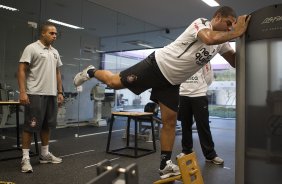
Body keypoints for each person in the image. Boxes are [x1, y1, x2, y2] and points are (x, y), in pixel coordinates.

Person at [73, 6, 250, 179]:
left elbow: (234, 61)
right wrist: (237, 31)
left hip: (171, 82)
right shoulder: (202, 23)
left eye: (232, 26)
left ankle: (165, 164)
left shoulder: (223, 42)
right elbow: (209, 38)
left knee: (170, 121)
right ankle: (90, 71)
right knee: (114, 82)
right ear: (217, 16)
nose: (230, 28)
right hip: (157, 66)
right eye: (228, 23)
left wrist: (247, 38)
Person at [17, 22, 64, 173]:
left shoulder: (55, 52)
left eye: (56, 33)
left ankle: (44, 154)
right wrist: (23, 92)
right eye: (51, 33)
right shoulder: (31, 48)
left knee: (47, 125)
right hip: (35, 93)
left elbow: (57, 73)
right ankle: (25, 159)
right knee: (30, 126)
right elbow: (22, 70)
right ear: (43, 33)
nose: (54, 36)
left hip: (51, 94)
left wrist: (60, 92)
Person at [178, 62, 225, 165]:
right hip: (183, 94)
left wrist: (200, 87)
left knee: (203, 126)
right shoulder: (182, 57)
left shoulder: (204, 57)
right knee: (185, 125)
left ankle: (210, 155)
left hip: (199, 94)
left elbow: (209, 77)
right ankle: (186, 151)